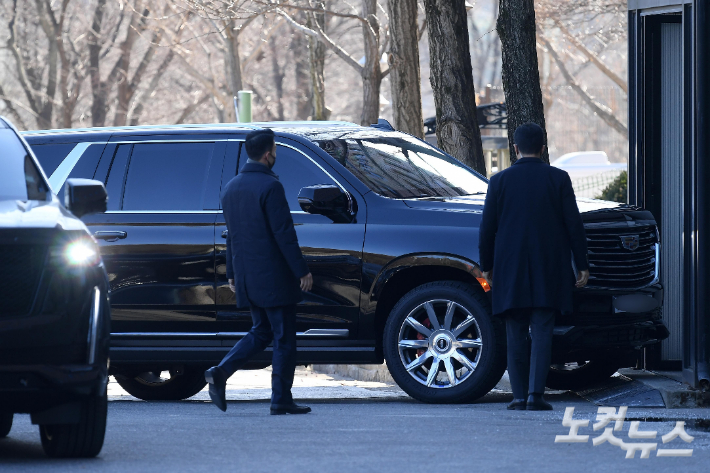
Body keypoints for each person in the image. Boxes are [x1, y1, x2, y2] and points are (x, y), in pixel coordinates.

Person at [478, 123, 589, 411]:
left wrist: (486, 265)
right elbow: (573, 225)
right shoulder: (558, 178)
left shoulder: (499, 181)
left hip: (510, 267)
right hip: (549, 266)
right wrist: (582, 264)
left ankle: (518, 395)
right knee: (542, 330)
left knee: (514, 330)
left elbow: (487, 229)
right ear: (543, 147)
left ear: (514, 148)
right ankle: (536, 395)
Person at [205, 128, 314, 415]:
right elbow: (284, 233)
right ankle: (280, 399)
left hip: (247, 276)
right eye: (275, 150)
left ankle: (220, 372)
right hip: (274, 276)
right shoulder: (270, 187)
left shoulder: (231, 187)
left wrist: (231, 272)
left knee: (261, 331)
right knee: (283, 338)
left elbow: (231, 235)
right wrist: (301, 270)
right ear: (269, 154)